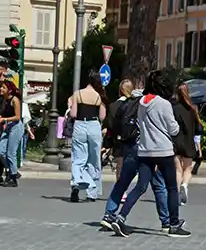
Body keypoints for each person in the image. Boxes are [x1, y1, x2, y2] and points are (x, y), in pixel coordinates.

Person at [104, 71, 190, 238]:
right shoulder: (164, 104)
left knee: (140, 186)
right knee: (172, 187)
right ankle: (173, 223)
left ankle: (121, 217)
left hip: (144, 149)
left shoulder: (142, 102)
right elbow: (173, 129)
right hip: (163, 150)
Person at [101, 82, 173, 233]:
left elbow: (112, 125)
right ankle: (166, 221)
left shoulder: (123, 104)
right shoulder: (148, 104)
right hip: (146, 147)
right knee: (158, 184)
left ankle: (109, 214)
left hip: (129, 146)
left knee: (123, 181)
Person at [69, 70, 107, 202]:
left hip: (80, 124)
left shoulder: (77, 94)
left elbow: (73, 114)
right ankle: (92, 193)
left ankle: (76, 184)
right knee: (94, 159)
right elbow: (102, 116)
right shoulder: (99, 96)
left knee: (78, 158)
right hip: (94, 126)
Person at [172, 83, 201, 204]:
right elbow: (199, 128)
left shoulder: (173, 108)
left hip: (176, 141)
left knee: (178, 170)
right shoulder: (193, 109)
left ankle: (177, 194)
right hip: (189, 142)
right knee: (187, 169)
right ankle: (185, 185)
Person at [0, 80, 23, 187]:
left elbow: (17, 117)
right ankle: (12, 171)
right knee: (1, 151)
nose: (1, 89)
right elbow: (5, 114)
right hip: (9, 126)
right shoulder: (5, 100)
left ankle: (13, 178)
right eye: (1, 87)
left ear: (9, 90)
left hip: (16, 127)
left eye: (4, 88)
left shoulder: (15, 100)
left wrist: (3, 120)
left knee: (11, 153)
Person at [107, 79, 135, 181]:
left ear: (120, 90)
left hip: (118, 138)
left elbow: (110, 124)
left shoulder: (113, 106)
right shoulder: (135, 104)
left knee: (120, 163)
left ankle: (121, 188)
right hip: (133, 137)